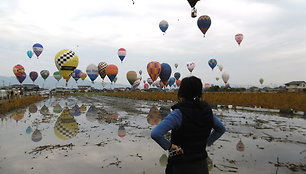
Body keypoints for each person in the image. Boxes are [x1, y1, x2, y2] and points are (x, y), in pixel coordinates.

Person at [151, 76, 226, 174]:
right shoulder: (207, 111)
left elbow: (155, 133)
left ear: (181, 92)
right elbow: (221, 129)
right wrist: (207, 142)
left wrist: (169, 146)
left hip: (180, 165)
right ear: (200, 92)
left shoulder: (178, 113)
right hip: (201, 164)